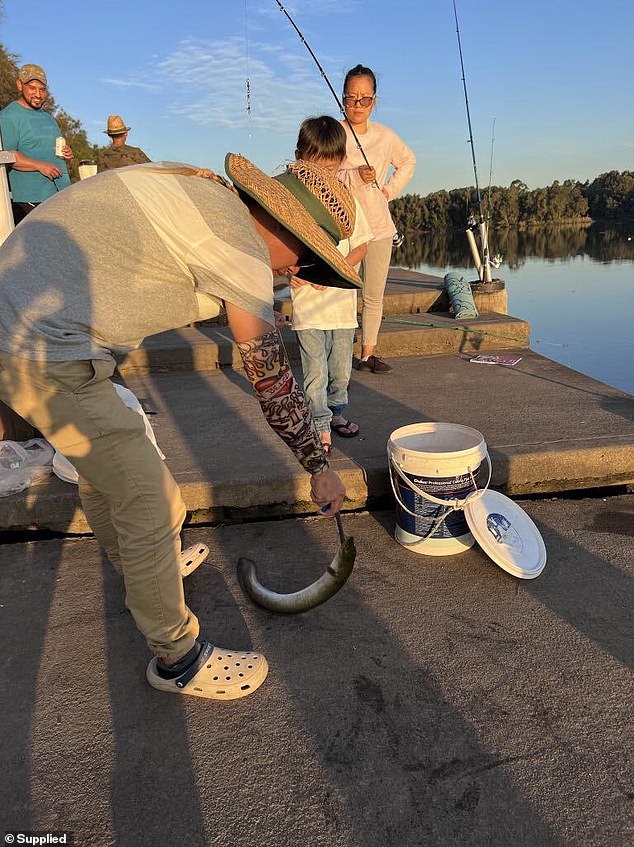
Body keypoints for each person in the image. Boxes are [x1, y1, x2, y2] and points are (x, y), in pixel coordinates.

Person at [0, 155, 361, 701]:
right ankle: (176, 657)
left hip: (37, 324)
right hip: (41, 347)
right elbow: (274, 384)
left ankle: (142, 573)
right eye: (306, 261)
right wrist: (319, 466)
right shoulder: (243, 253)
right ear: (286, 229)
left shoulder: (204, 192)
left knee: (107, 473)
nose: (296, 274)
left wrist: (252, 307)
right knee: (150, 498)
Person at [284, 116, 373, 455]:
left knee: (340, 371)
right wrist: (290, 270)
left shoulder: (347, 200)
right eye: (314, 169)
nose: (323, 177)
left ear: (340, 164)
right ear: (298, 159)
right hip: (307, 305)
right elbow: (283, 253)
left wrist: (333, 269)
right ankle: (319, 424)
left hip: (341, 305)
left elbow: (361, 245)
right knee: (315, 372)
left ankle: (336, 412)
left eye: (331, 169)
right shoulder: (290, 204)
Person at [338, 64, 416, 374]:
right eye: (351, 98)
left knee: (374, 294)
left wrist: (387, 191)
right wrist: (354, 175)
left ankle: (368, 353)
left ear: (374, 101)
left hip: (379, 227)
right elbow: (321, 171)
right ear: (342, 98)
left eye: (364, 99)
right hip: (344, 226)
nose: (357, 106)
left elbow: (409, 161)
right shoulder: (335, 132)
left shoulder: (385, 136)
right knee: (343, 292)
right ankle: (340, 353)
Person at [0, 63, 73, 224]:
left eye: (42, 89)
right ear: (20, 85)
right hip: (30, 199)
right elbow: (6, 156)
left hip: (61, 194)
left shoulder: (49, 118)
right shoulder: (9, 116)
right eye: (32, 88)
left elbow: (53, 153)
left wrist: (68, 155)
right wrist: (40, 166)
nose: (38, 94)